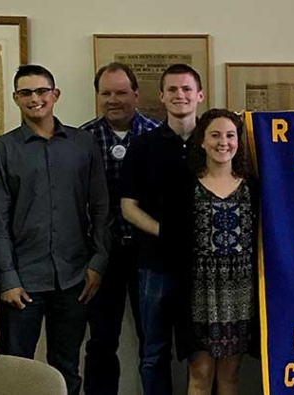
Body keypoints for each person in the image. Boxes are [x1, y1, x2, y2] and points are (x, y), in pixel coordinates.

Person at [0, 64, 110, 395]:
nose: (35, 98)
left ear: (55, 95)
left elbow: (100, 207)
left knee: (66, 367)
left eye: (42, 91)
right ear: (15, 99)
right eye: (26, 92)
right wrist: (7, 278)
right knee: (15, 369)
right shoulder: (2, 149)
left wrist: (98, 263)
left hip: (74, 278)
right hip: (22, 281)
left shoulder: (83, 144)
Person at [120, 63, 205, 395]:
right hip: (154, 264)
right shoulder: (143, 146)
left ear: (199, 95)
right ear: (162, 97)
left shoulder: (214, 143)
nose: (179, 95)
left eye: (186, 89)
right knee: (154, 352)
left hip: (204, 269)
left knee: (204, 353)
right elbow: (128, 206)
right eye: (172, 89)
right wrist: (165, 232)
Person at [79, 62, 160, 395]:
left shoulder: (157, 136)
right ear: (97, 96)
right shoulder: (82, 140)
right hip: (103, 256)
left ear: (136, 94)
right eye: (106, 93)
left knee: (152, 340)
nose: (114, 100)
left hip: (148, 255)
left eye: (121, 92)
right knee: (101, 340)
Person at [178, 109, 258, 395]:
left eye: (230, 135)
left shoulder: (253, 187)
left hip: (240, 291)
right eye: (215, 135)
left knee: (230, 375)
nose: (223, 142)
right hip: (199, 290)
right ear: (201, 141)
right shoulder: (186, 186)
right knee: (199, 373)